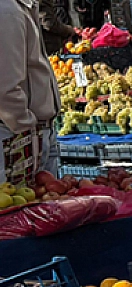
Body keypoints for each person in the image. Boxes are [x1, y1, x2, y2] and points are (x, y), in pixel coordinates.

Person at [0, 0, 61, 183]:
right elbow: (5, 85)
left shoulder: (20, 7)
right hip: (16, 134)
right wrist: (26, 126)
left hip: (32, 131)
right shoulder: (8, 11)